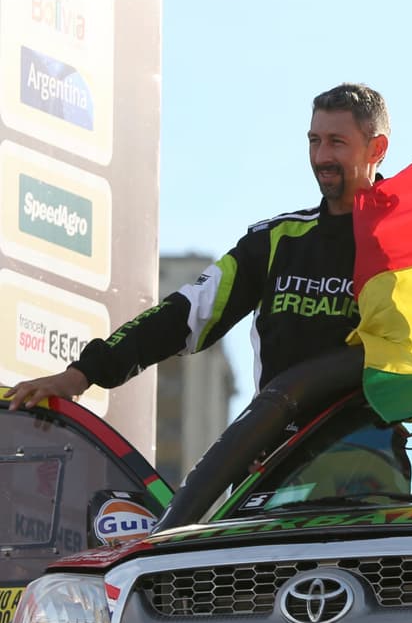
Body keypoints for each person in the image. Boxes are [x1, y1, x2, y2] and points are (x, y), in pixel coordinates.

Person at [5, 82, 389, 410]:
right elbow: (185, 314)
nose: (321, 157)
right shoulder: (275, 242)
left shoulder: (403, 242)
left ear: (376, 149)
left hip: (368, 463)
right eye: (314, 141)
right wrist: (82, 375)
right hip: (277, 463)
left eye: (337, 143)